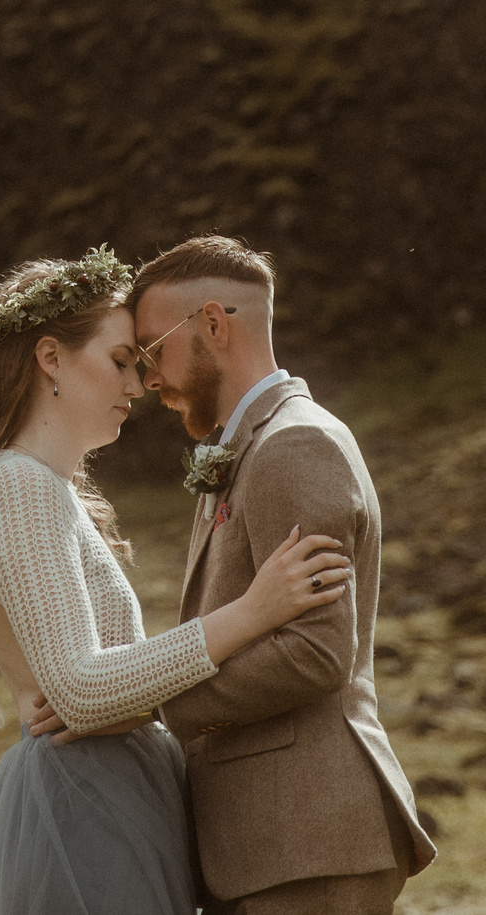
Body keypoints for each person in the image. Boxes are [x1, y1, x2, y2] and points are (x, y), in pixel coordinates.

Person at [0, 246, 351, 915]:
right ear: (51, 357)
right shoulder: (18, 486)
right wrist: (253, 610)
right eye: (121, 360)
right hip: (82, 804)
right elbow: (81, 690)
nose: (141, 383)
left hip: (112, 794)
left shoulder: (48, 488)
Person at [114, 234, 434, 914]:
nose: (148, 378)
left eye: (152, 350)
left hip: (308, 841)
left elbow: (318, 653)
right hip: (271, 846)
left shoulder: (293, 443)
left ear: (212, 324)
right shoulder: (250, 444)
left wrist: (160, 699)